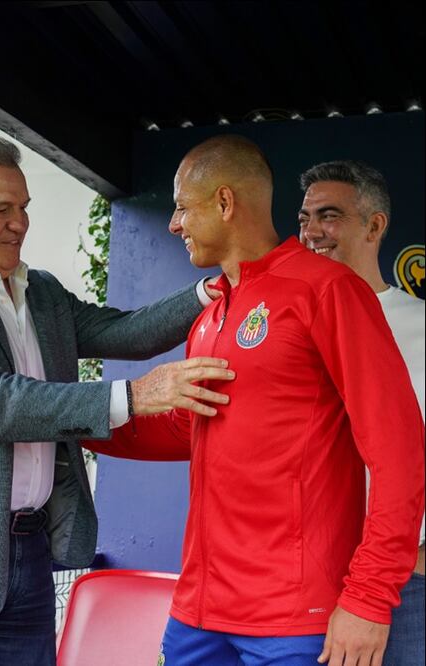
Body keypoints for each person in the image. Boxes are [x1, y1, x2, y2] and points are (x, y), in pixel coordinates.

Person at [0, 131, 236, 665]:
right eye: (1, 209)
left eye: (24, 207)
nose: (20, 223)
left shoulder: (38, 290)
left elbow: (126, 332)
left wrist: (211, 291)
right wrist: (136, 395)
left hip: (29, 550)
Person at [93, 135, 424, 666]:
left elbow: (399, 452)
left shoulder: (328, 290)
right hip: (199, 613)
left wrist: (369, 595)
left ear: (225, 203)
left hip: (292, 618)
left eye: (182, 208)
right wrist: (62, 418)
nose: (174, 224)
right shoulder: (211, 313)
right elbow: (189, 428)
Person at [297, 160, 425, 666]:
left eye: (328, 216)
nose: (311, 231)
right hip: (300, 581)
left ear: (375, 226)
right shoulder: (287, 324)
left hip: (403, 587)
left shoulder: (421, 325)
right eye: (304, 218)